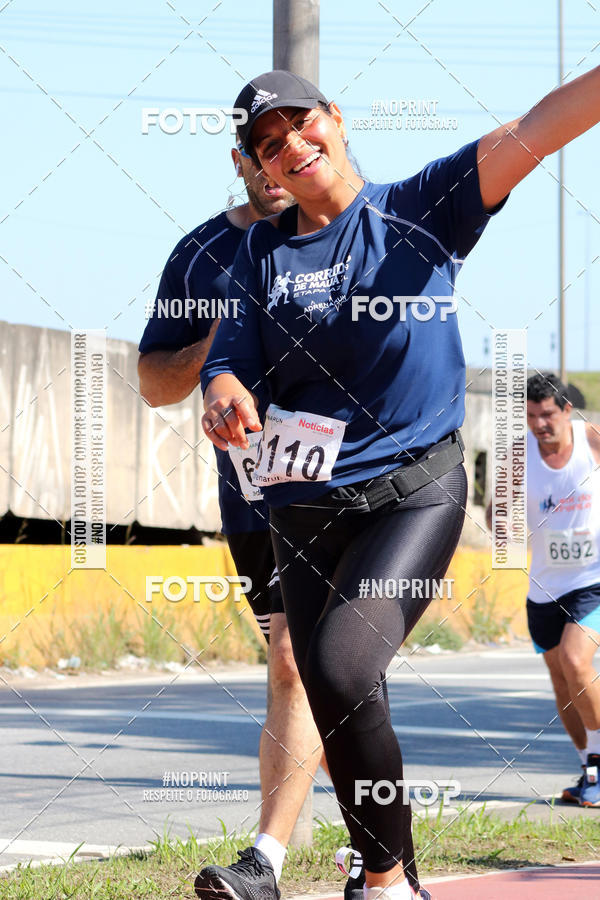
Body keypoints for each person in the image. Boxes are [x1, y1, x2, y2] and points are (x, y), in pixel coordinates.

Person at [200, 68, 600, 900]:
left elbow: (534, 128)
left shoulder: (418, 208)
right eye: (269, 147)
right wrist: (224, 391)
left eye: (301, 125)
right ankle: (389, 877)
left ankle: (385, 881)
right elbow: (230, 358)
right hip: (301, 507)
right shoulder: (257, 253)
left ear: (335, 120)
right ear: (259, 168)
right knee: (333, 689)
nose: (293, 148)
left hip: (413, 489)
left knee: (344, 668)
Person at [138, 147, 360, 900]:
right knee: (310, 673)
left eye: (289, 138)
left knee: (304, 664)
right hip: (253, 499)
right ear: (240, 157)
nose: (276, 161)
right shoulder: (203, 253)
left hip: (344, 488)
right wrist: (226, 340)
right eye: (259, 147)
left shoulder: (351, 232)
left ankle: (265, 862)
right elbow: (151, 381)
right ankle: (385, 842)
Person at [487, 373, 600, 807]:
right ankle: (588, 769)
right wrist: (506, 523)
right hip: (544, 587)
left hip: (592, 581)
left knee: (576, 660)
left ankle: (599, 765)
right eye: (531, 416)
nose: (540, 424)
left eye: (548, 414)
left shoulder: (590, 441)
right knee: (562, 681)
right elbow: (500, 513)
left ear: (566, 410)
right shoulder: (518, 457)